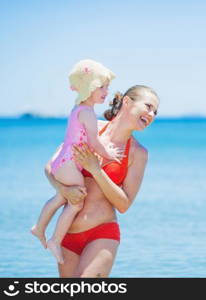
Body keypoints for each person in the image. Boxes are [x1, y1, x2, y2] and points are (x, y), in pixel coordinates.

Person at [44, 85, 159, 277]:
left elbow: (124, 204)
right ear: (127, 102)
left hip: (101, 234)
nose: (152, 114)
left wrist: (96, 170)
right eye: (148, 106)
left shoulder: (138, 153)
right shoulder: (90, 126)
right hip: (67, 235)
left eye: (155, 111)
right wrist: (62, 190)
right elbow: (50, 167)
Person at [31, 59, 124, 264]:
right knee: (76, 201)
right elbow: (94, 141)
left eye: (107, 86)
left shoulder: (78, 109)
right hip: (69, 164)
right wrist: (110, 155)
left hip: (64, 162)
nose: (106, 91)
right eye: (102, 86)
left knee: (61, 197)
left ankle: (39, 228)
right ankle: (55, 240)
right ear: (89, 87)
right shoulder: (87, 113)